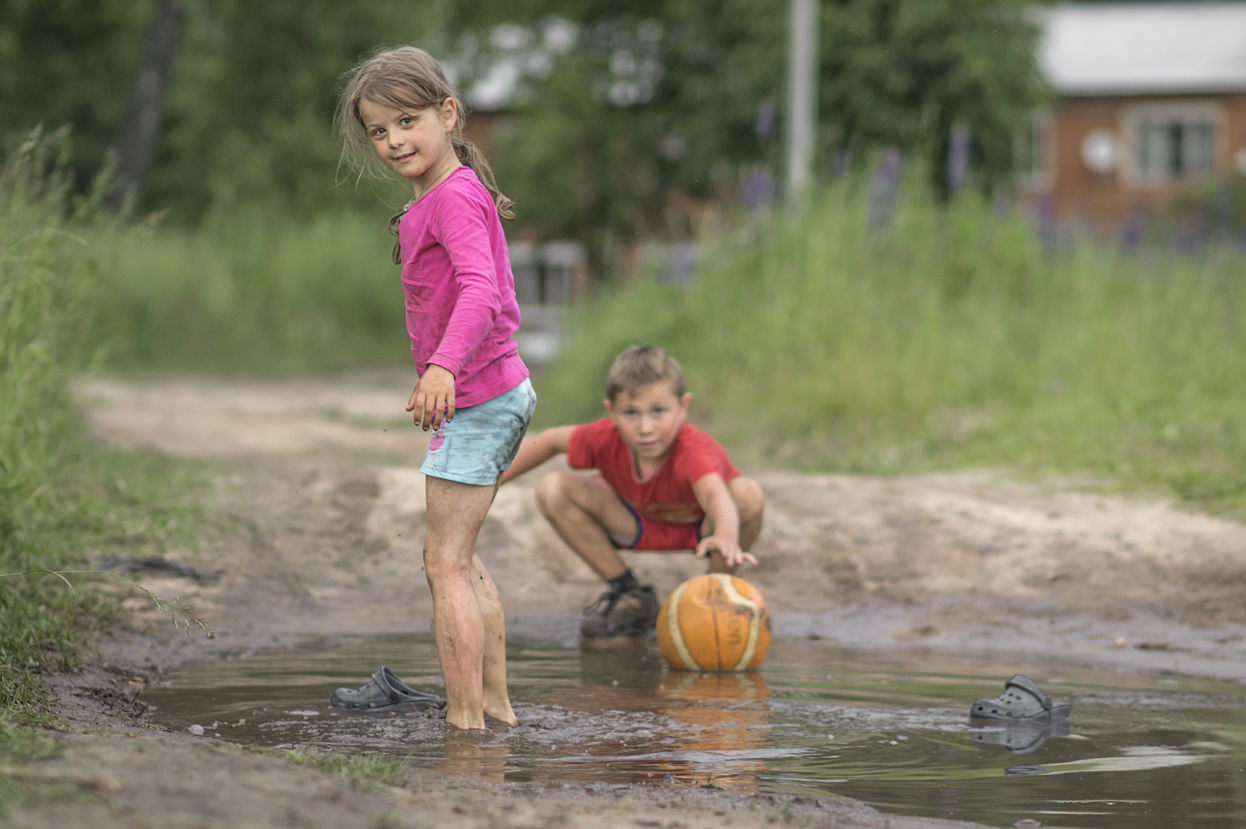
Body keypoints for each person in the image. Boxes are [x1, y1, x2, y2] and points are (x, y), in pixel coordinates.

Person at [332, 46, 536, 730]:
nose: (393, 140)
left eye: (407, 121)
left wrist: (443, 367)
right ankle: (495, 708)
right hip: (492, 392)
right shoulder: (441, 195)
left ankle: (464, 724)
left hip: (479, 395)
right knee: (461, 559)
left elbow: (482, 291)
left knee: (443, 562)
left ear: (448, 114)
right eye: (379, 130)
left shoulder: (452, 197)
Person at [499, 345, 764, 638]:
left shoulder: (691, 447)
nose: (645, 427)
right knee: (553, 488)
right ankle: (630, 594)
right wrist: (493, 481)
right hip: (634, 523)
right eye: (630, 413)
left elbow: (715, 494)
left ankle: (712, 593)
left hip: (702, 530)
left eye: (658, 411)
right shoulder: (605, 437)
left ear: (682, 407)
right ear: (611, 412)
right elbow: (549, 440)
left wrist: (725, 535)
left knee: (747, 494)